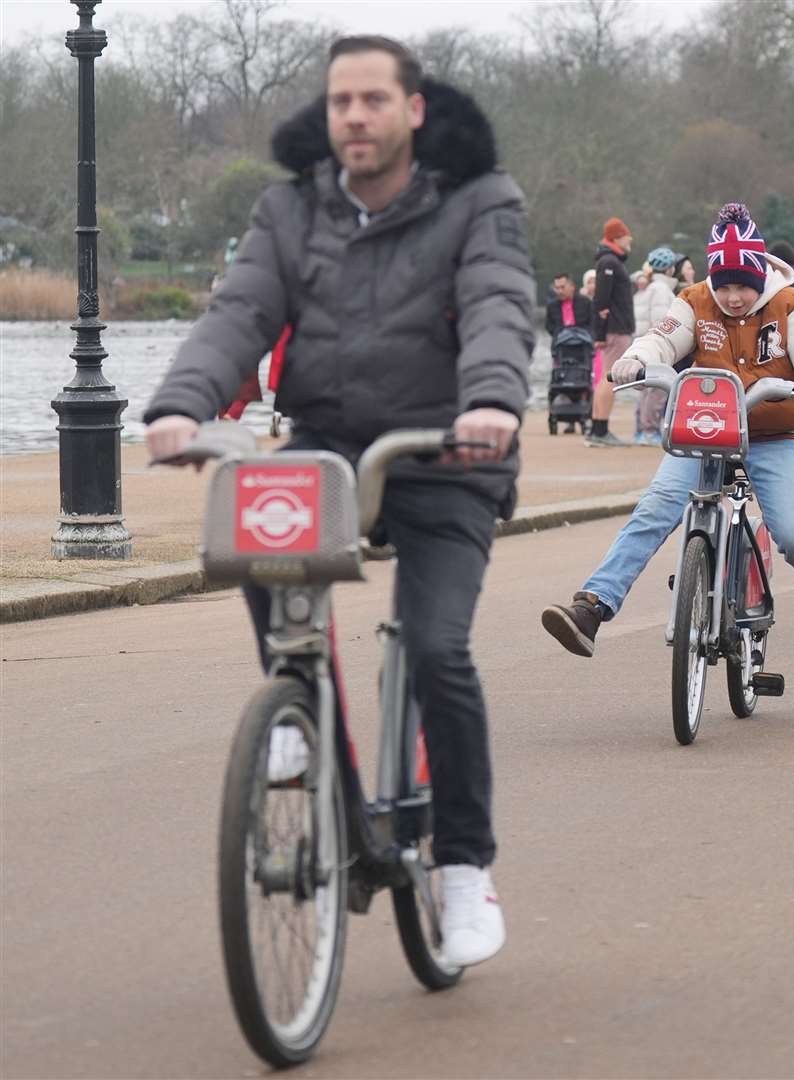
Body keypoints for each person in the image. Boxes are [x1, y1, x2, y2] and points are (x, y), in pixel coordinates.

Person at [143, 35, 532, 969]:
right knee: (253, 521)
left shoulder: (481, 200)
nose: (354, 117)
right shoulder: (290, 206)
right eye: (339, 102)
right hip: (329, 443)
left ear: (413, 109)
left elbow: (497, 304)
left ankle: (464, 869)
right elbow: (241, 311)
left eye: (372, 100)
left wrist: (489, 403)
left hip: (444, 449)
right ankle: (306, 724)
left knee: (438, 646)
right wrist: (180, 406)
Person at [540, 202, 794, 665]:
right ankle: (592, 607)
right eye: (723, 285)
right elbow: (664, 336)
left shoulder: (792, 304)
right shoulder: (693, 300)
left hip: (772, 433)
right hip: (705, 431)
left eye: (742, 287)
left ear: (759, 279)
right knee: (654, 510)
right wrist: (639, 359)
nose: (732, 297)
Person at [588, 217, 636, 447]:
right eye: (627, 235)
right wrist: (599, 333)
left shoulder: (609, 261)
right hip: (616, 329)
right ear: (617, 237)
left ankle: (597, 428)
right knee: (611, 377)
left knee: (605, 377)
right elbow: (601, 301)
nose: (631, 239)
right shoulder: (609, 262)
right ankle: (600, 430)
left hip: (614, 328)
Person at [631, 245, 681, 445]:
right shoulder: (661, 290)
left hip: (641, 343)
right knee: (657, 390)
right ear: (670, 269)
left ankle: (642, 429)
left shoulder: (647, 288)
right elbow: (661, 321)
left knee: (645, 390)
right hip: (655, 347)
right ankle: (649, 431)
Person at [545, 272, 593, 337]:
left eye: (562, 287)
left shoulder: (585, 302)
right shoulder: (552, 306)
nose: (560, 291)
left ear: (572, 286)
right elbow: (549, 326)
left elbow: (593, 323)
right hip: (561, 342)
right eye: (557, 288)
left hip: (583, 341)